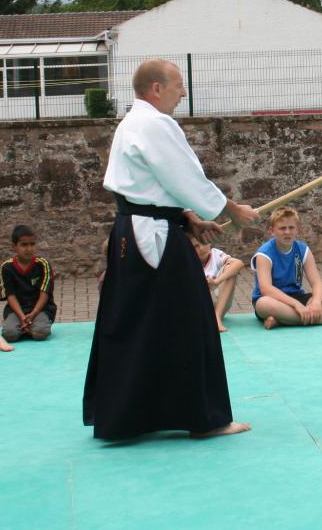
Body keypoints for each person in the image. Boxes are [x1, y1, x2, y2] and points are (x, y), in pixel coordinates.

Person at [84, 58, 258, 441]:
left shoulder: (133, 122)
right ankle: (206, 418)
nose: (184, 92)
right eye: (179, 84)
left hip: (140, 230)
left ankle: (123, 419)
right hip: (152, 237)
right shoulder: (155, 123)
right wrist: (231, 210)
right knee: (192, 321)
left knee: (136, 324)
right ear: (156, 89)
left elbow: (151, 184)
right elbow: (185, 177)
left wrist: (188, 218)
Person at [250, 207, 322, 329]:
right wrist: (296, 305)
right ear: (272, 231)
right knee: (264, 304)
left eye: (291, 228)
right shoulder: (264, 254)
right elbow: (266, 289)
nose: (287, 232)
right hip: (273, 299)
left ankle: (282, 320)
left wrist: (316, 302)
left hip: (297, 296)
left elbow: (317, 284)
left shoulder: (303, 250)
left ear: (297, 230)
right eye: (282, 228)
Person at [0, 224, 57, 342]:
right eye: (24, 245)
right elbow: (10, 295)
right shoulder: (6, 267)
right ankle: (25, 327)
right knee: (10, 335)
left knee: (40, 333)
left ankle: (30, 327)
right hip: (17, 310)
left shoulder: (43, 264)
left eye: (32, 244)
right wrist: (21, 316)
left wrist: (34, 313)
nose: (29, 249)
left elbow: (44, 293)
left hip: (40, 309)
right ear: (14, 246)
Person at [196, 240, 244, 332]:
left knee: (230, 268)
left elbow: (239, 263)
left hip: (218, 304)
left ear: (209, 243)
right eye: (196, 246)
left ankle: (217, 318)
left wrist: (216, 282)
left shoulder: (216, 254)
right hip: (199, 306)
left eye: (203, 243)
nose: (201, 248)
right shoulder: (186, 259)